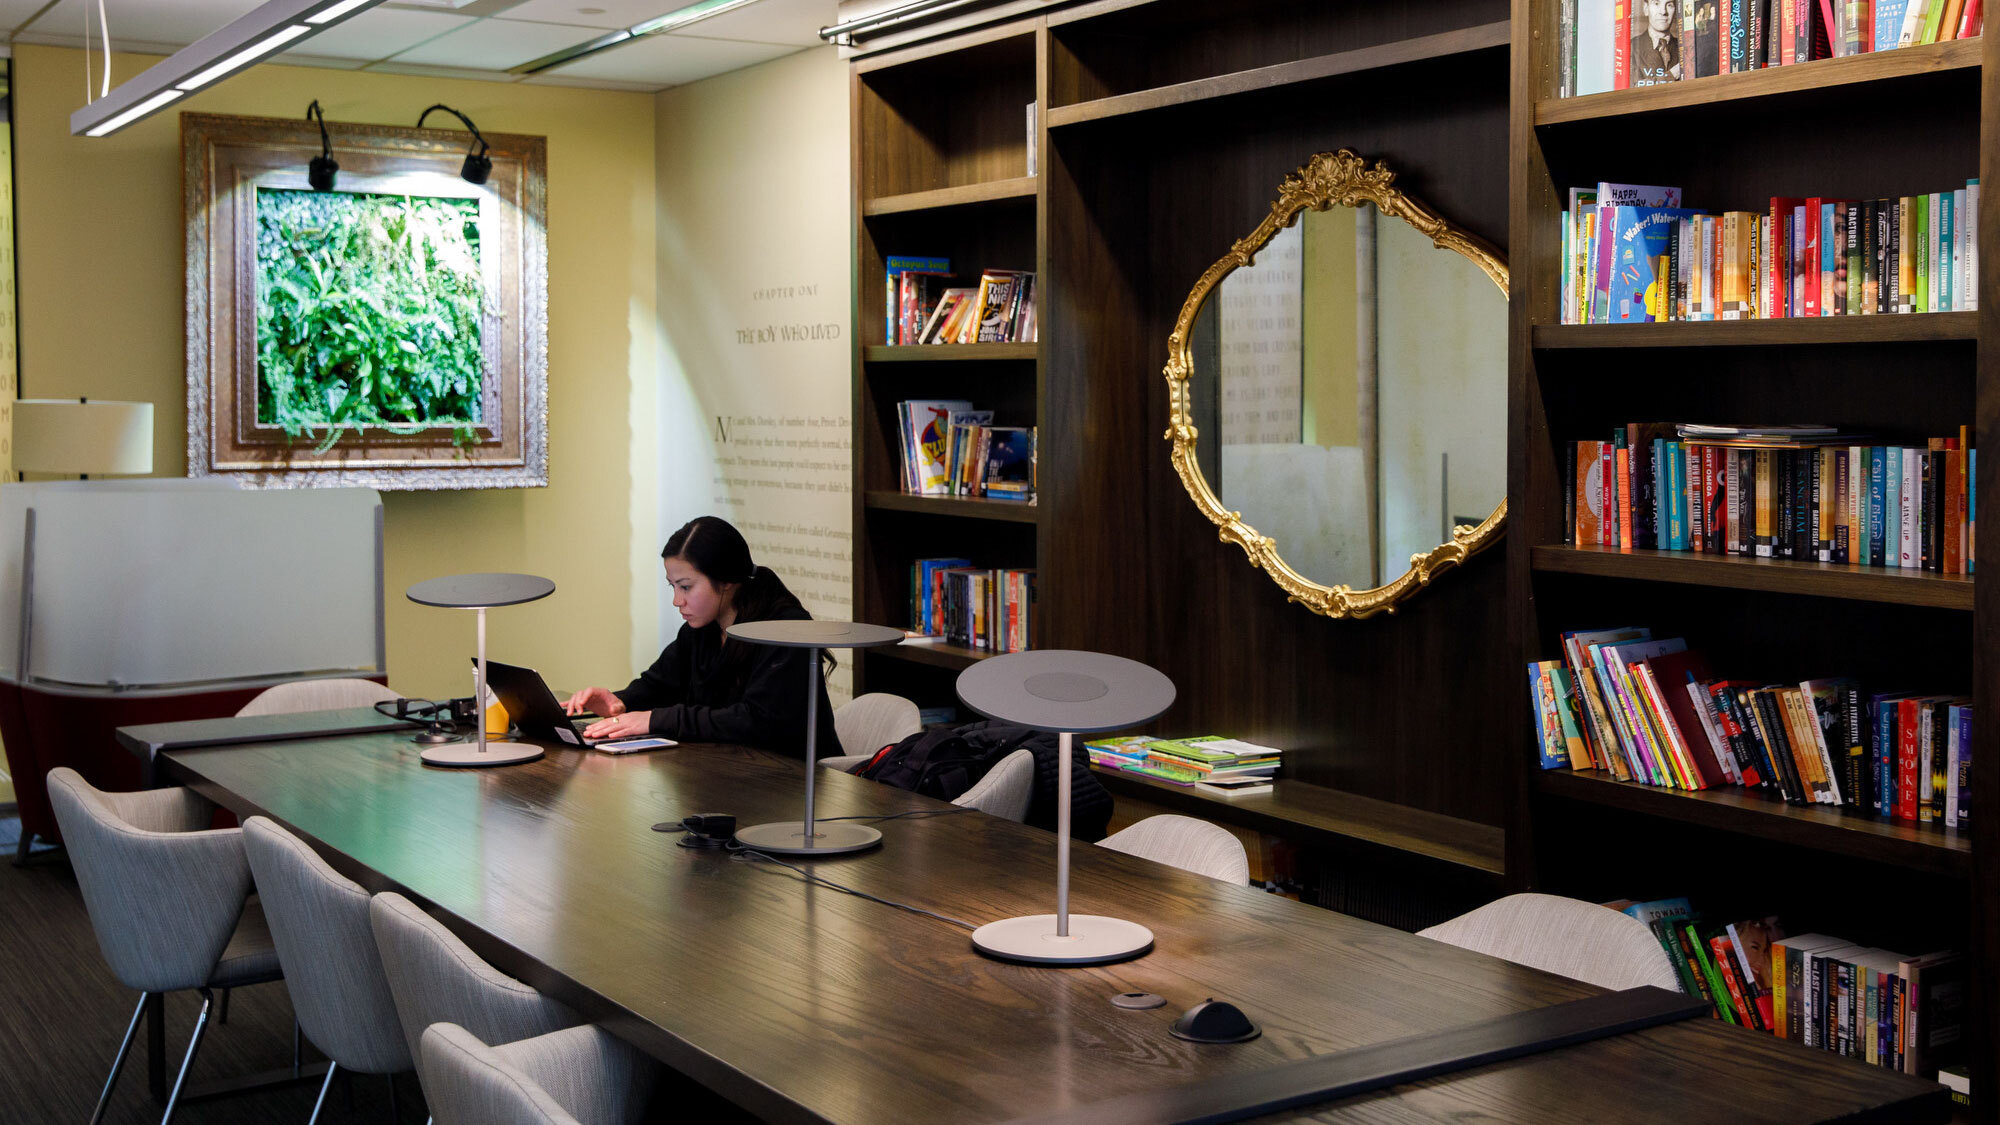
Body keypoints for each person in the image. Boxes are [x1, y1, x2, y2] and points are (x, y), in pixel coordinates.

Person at [564, 516, 840, 757]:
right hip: (728, 776)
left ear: (727, 581)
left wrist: (656, 720)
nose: (676, 600)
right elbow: (659, 685)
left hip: (794, 787)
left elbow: (756, 721)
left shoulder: (786, 630)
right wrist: (620, 701)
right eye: (672, 586)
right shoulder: (701, 630)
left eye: (686, 587)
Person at [1630, 0, 1682, 86]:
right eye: (1656, 3)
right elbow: (1634, 89)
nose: (1663, 12)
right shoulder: (1631, 47)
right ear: (1646, 8)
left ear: (1676, 11)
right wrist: (1671, 75)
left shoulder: (1685, 47)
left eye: (1669, 5)